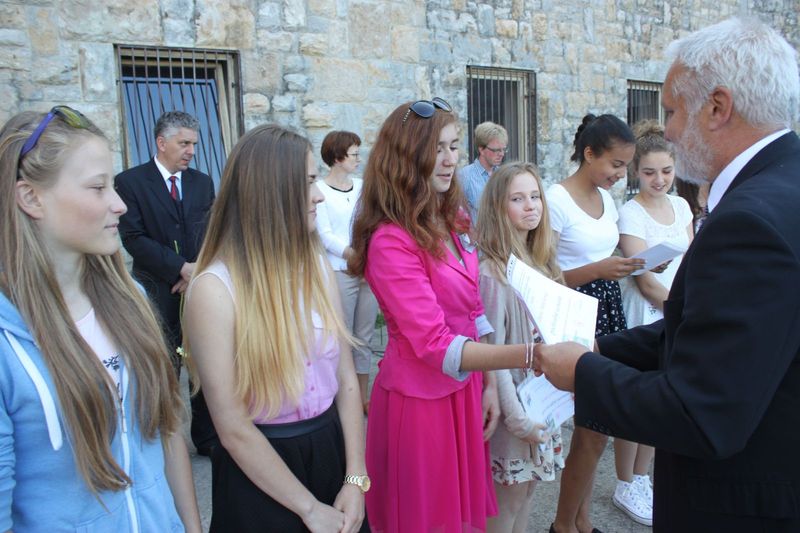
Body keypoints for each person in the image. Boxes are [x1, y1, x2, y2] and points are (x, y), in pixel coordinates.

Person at [535, 17, 800, 532]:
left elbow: (701, 413)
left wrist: (583, 371)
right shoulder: (779, 187)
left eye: (673, 111)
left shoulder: (750, 220)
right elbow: (711, 333)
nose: (670, 132)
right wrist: (600, 348)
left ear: (718, 107)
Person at [0, 107, 201, 531]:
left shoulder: (132, 300)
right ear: (31, 198)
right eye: (98, 187)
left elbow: (165, 432)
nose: (119, 204)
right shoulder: (8, 338)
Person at [348, 98, 539, 532]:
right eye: (437, 149)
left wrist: (488, 384)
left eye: (453, 146)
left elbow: (474, 308)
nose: (450, 159)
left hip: (464, 389)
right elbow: (434, 344)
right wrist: (531, 355)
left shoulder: (452, 217)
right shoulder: (390, 240)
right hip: (421, 404)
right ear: (405, 155)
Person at [183, 124, 367, 533]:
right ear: (270, 192)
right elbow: (231, 426)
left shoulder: (316, 267)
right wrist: (309, 509)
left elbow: (346, 379)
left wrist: (356, 478)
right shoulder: (215, 289)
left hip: (330, 452)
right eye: (308, 182)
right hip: (260, 474)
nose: (318, 195)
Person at [545, 113, 644, 533]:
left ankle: (580, 521)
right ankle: (563, 525)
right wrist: (598, 270)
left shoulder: (607, 199)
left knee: (598, 428)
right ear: (589, 154)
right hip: (574, 314)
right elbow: (544, 276)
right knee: (592, 429)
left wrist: (634, 263)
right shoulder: (555, 199)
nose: (621, 175)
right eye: (616, 164)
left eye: (626, 166)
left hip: (609, 311)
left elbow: (605, 252)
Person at [115, 111, 217, 456]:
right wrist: (178, 269)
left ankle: (208, 438)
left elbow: (211, 233)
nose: (191, 151)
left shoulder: (203, 183)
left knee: (202, 361)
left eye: (194, 144)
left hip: (198, 287)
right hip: (158, 290)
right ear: (161, 142)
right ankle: (164, 438)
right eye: (184, 143)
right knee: (163, 365)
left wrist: (195, 272)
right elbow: (133, 237)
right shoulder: (130, 182)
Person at [476, 162, 566, 533]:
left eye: (534, 196)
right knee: (507, 502)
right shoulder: (493, 273)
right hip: (514, 407)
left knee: (529, 493)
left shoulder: (542, 263)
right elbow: (492, 355)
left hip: (542, 401)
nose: (530, 206)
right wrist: (516, 420)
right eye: (517, 199)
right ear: (498, 207)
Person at [612, 120, 694, 524]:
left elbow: (691, 259)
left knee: (662, 395)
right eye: (649, 172)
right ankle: (624, 480)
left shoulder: (682, 206)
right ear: (636, 172)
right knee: (637, 397)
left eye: (666, 171)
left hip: (676, 307)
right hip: (648, 311)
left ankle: (643, 475)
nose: (659, 180)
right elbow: (644, 280)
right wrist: (682, 310)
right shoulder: (630, 213)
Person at [317, 131, 378, 415]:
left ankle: (361, 397)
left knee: (365, 337)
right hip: (340, 270)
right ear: (338, 157)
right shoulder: (320, 190)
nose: (358, 159)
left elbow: (371, 223)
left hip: (366, 269)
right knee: (342, 337)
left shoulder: (362, 187)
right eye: (354, 154)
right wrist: (353, 256)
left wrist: (367, 257)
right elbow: (325, 234)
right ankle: (341, 397)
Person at [459, 121, 508, 223]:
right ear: (481, 150)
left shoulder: (504, 175)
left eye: (503, 149)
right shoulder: (465, 176)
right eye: (496, 150)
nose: (502, 154)